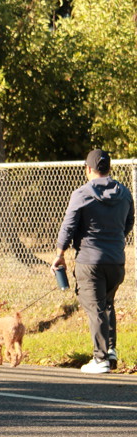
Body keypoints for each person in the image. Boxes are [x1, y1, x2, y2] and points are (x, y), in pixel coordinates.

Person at [53, 149, 134, 374]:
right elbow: (129, 222)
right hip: (116, 260)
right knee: (107, 304)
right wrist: (114, 240)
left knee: (95, 307)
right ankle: (110, 350)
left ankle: (100, 359)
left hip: (90, 260)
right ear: (109, 168)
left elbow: (68, 225)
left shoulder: (81, 194)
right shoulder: (124, 193)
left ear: (88, 169)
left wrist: (60, 253)